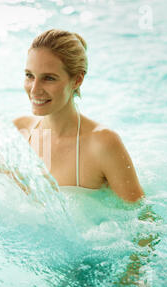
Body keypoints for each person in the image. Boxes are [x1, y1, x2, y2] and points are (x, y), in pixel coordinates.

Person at [13, 29, 144, 203]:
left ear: (77, 80)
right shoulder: (20, 131)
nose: (34, 89)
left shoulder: (103, 143)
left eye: (49, 78)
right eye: (29, 75)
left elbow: (142, 220)